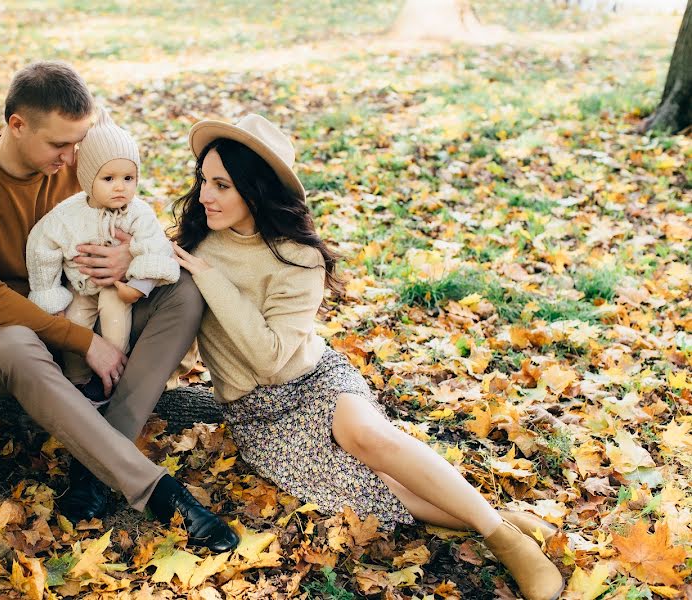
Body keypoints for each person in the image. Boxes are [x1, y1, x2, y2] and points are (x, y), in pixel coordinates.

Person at [170, 114, 564, 599]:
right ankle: (498, 518)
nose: (206, 195)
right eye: (204, 180)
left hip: (313, 380)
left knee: (367, 436)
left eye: (222, 185)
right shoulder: (195, 242)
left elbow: (271, 358)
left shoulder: (298, 258)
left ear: (256, 189)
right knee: (380, 490)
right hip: (258, 416)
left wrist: (210, 279)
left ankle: (505, 542)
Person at [0, 60, 238, 552]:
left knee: (183, 290)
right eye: (59, 145)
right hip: (7, 333)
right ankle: (156, 490)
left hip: (95, 304)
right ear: (16, 125)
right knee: (13, 343)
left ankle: (93, 468)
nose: (72, 157)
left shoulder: (81, 159)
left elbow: (137, 222)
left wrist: (127, 259)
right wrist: (82, 341)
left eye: (78, 142)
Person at [26, 123, 179, 387]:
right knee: (75, 326)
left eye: (128, 178)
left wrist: (139, 286)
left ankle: (113, 374)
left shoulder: (138, 213)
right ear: (87, 179)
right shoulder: (68, 215)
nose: (120, 187)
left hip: (118, 286)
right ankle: (77, 381)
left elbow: (155, 246)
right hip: (80, 286)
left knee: (116, 319)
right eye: (108, 179)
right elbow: (42, 247)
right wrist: (50, 297)